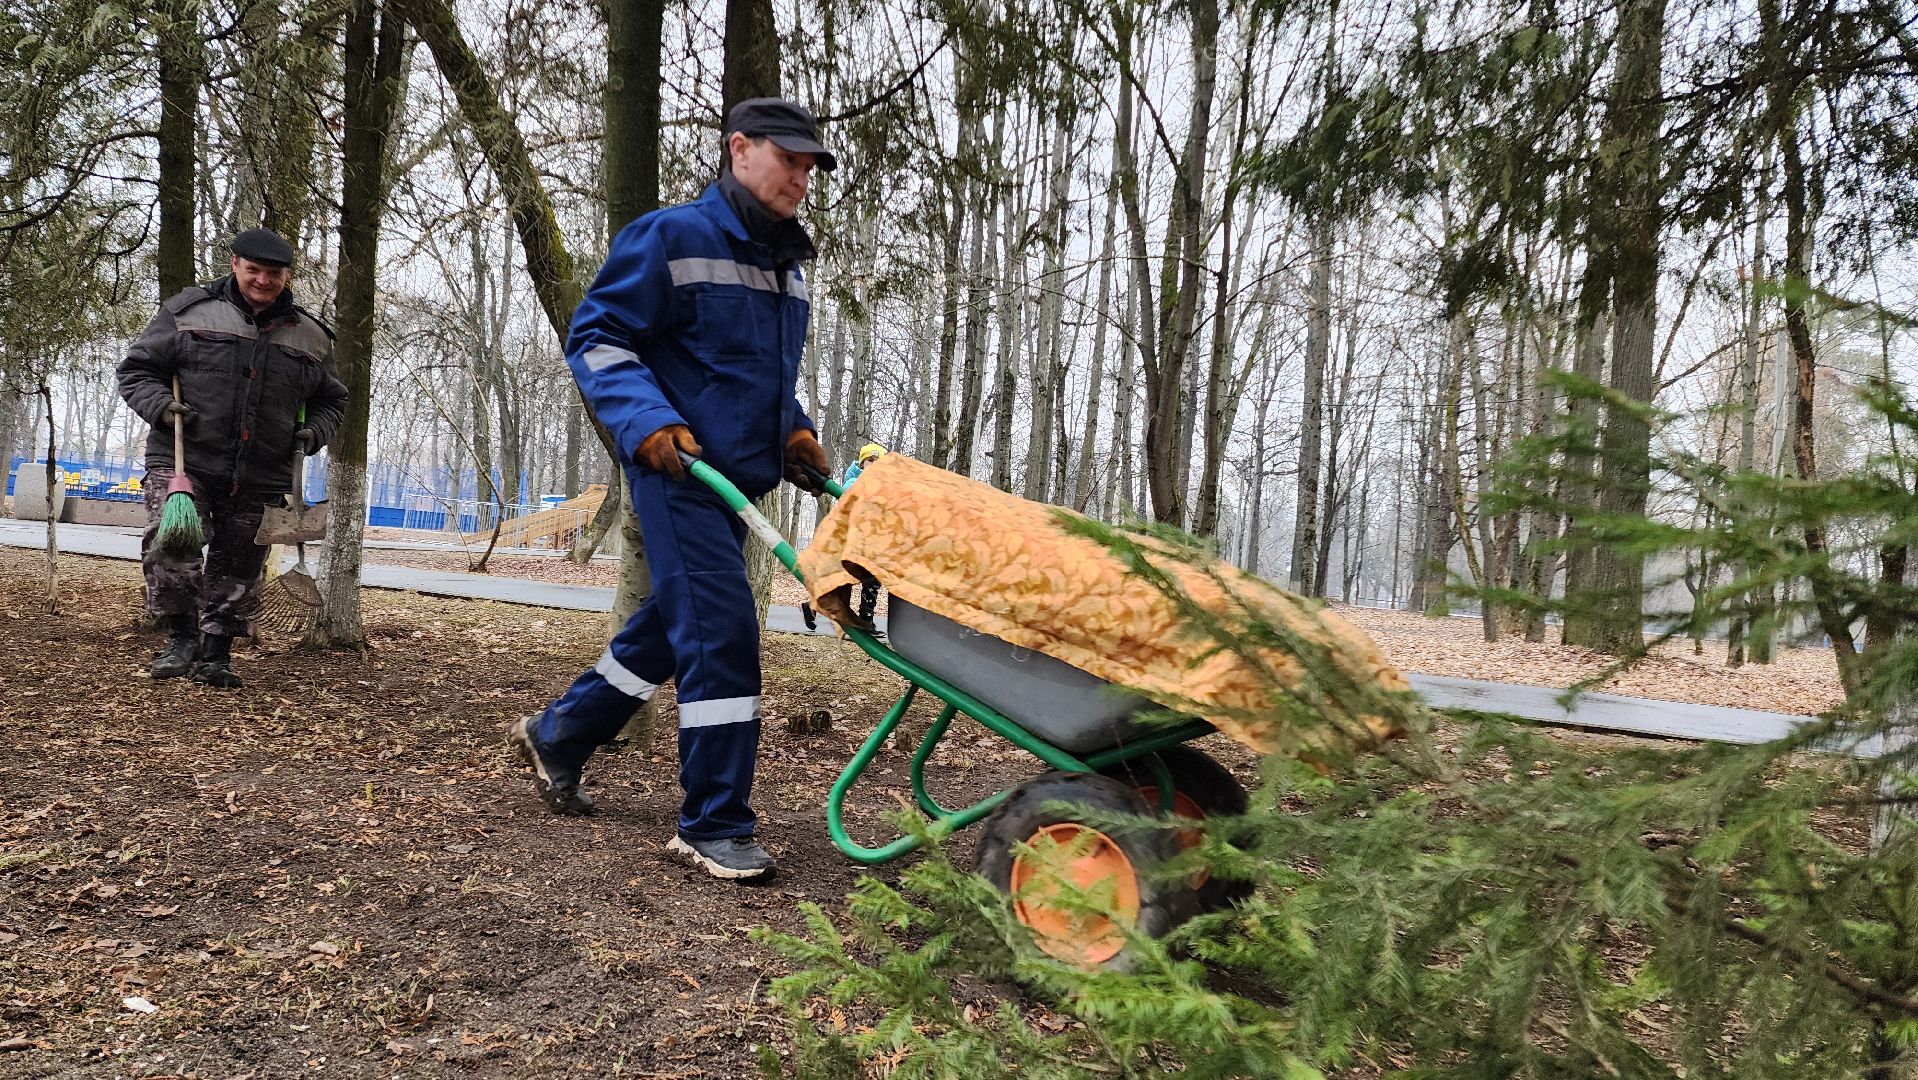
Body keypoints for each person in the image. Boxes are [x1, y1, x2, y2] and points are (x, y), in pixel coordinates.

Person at [508, 98, 835, 882]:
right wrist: (649, 424)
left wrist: (791, 430)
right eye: (787, 159)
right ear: (739, 149)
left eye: (809, 166)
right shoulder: (670, 237)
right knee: (723, 635)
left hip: (735, 485)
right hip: (677, 472)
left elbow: (752, 380)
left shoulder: (784, 269)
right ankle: (712, 821)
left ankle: (559, 734)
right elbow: (598, 336)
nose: (800, 176)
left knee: (668, 628)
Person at [117, 228, 347, 689]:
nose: (263, 280)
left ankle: (216, 655)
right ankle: (181, 639)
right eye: (254, 270)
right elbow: (137, 370)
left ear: (287, 275)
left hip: (263, 469)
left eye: (274, 273)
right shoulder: (188, 313)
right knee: (170, 543)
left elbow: (333, 401)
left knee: (240, 561)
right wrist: (161, 407)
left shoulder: (311, 335)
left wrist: (313, 432)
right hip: (184, 459)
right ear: (235, 264)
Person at [841, 443, 886, 621]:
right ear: (861, 464)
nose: (874, 465)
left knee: (872, 581)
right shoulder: (854, 482)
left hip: (872, 544)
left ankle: (866, 618)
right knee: (845, 579)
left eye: (878, 462)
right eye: (870, 461)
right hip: (853, 542)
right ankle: (817, 607)